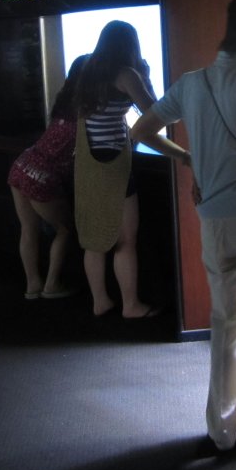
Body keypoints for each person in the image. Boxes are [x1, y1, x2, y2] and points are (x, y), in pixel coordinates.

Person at [132, 0, 236, 451]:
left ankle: (222, 427)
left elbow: (140, 131)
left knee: (226, 318)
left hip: (214, 216)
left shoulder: (191, 84)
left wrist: (190, 159)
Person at [73, 21, 169, 319]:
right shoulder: (127, 74)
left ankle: (100, 301)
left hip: (86, 163)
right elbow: (155, 112)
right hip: (114, 162)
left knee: (94, 237)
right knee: (125, 238)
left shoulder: (87, 67)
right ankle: (131, 305)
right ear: (131, 46)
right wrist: (146, 76)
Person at [8, 54, 88, 300]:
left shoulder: (64, 101)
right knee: (65, 229)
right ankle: (52, 284)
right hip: (43, 176)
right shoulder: (89, 106)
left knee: (28, 228)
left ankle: (32, 285)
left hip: (22, 165)